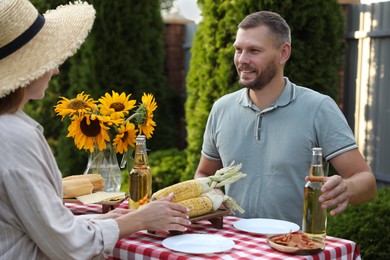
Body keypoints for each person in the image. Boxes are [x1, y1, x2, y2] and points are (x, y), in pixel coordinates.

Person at [0, 0, 190, 259]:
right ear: (25, 71)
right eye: (47, 59)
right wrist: (141, 220)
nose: (55, 69)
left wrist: (108, 221)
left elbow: (37, 226)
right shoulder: (14, 137)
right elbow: (67, 245)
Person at [194, 11, 377, 226]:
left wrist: (347, 188)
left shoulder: (318, 108)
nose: (242, 60)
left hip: (295, 246)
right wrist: (212, 195)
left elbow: (367, 182)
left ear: (283, 53)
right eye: (238, 50)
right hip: (235, 246)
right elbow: (204, 173)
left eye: (254, 50)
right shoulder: (221, 108)